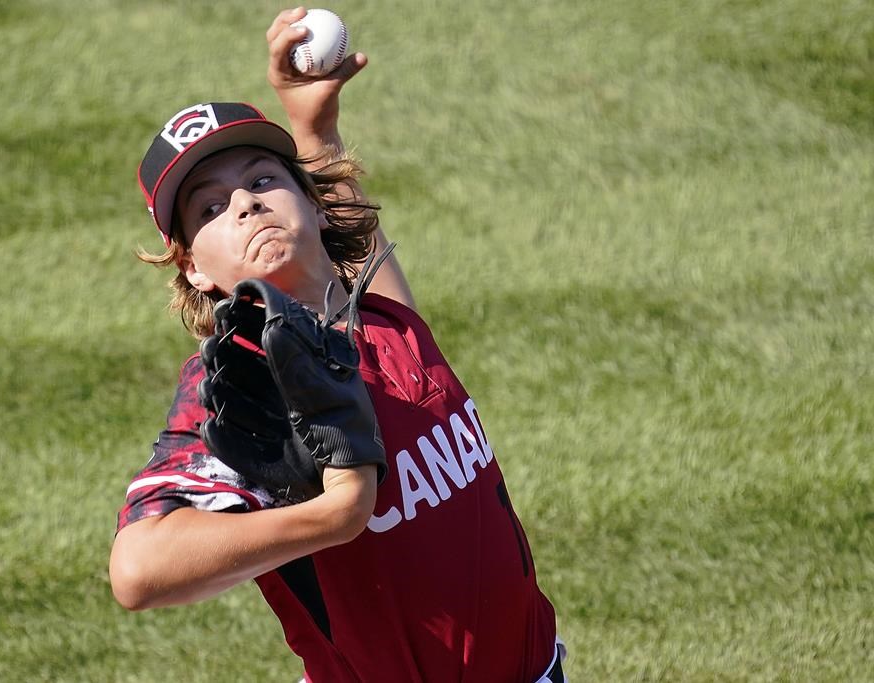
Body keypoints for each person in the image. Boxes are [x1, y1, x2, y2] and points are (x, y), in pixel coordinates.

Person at [109, 8, 566, 682]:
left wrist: (315, 131)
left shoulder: (385, 319)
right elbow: (138, 569)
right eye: (208, 208)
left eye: (264, 180)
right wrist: (333, 516)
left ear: (314, 202)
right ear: (195, 269)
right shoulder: (245, 381)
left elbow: (355, 268)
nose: (243, 204)